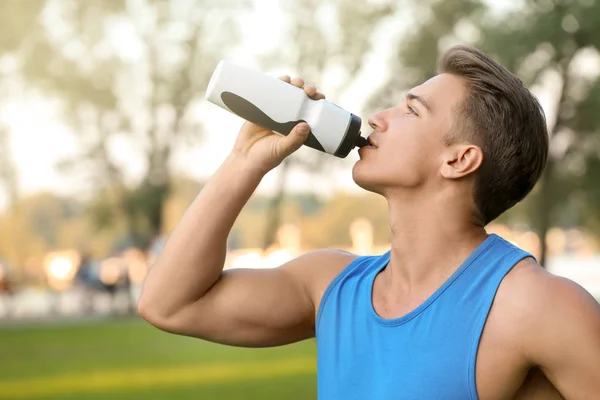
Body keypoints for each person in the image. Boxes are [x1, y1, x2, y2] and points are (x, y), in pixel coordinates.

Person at [138, 45, 600, 399]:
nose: (378, 118)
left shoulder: (537, 306)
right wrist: (244, 162)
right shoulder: (328, 285)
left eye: (411, 110)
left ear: (459, 159)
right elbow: (168, 304)